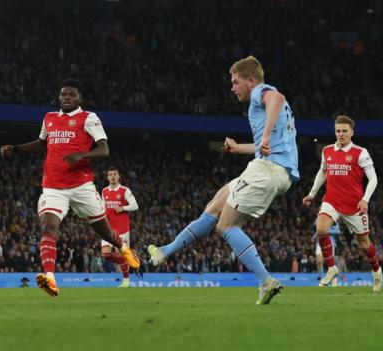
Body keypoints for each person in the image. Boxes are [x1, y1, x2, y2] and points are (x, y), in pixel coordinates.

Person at [149, 56, 299, 304]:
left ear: (250, 81)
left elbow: (276, 98)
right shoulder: (267, 105)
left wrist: (265, 136)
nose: (232, 87)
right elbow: (269, 145)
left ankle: (266, 281)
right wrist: (240, 147)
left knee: (226, 226)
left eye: (235, 82)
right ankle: (166, 251)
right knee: (215, 205)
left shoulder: (261, 91)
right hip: (274, 169)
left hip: (268, 170)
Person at [0, 79, 140, 297]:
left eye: (71, 95)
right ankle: (50, 278)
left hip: (81, 185)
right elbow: (41, 144)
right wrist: (16, 149)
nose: (66, 98)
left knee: (103, 231)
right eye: (63, 94)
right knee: (48, 226)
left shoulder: (89, 118)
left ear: (79, 98)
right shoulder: (49, 118)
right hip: (53, 187)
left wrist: (82, 155)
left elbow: (104, 150)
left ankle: (123, 247)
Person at [302, 115, 381, 292]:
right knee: (321, 228)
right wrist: (312, 194)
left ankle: (377, 271)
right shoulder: (327, 151)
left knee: (364, 244)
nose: (341, 134)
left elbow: (373, 179)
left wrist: (365, 199)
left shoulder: (361, 152)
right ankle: (331, 268)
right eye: (338, 131)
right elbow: (322, 172)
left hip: (354, 206)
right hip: (331, 201)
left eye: (344, 131)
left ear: (352, 132)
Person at [101, 166, 139, 287]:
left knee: (120, 253)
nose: (113, 176)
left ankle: (126, 281)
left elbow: (135, 205)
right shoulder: (104, 191)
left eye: (115, 174)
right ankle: (126, 259)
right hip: (108, 229)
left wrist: (123, 208)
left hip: (122, 229)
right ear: (107, 177)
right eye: (110, 174)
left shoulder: (125, 190)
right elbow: (103, 207)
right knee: (106, 254)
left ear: (118, 176)